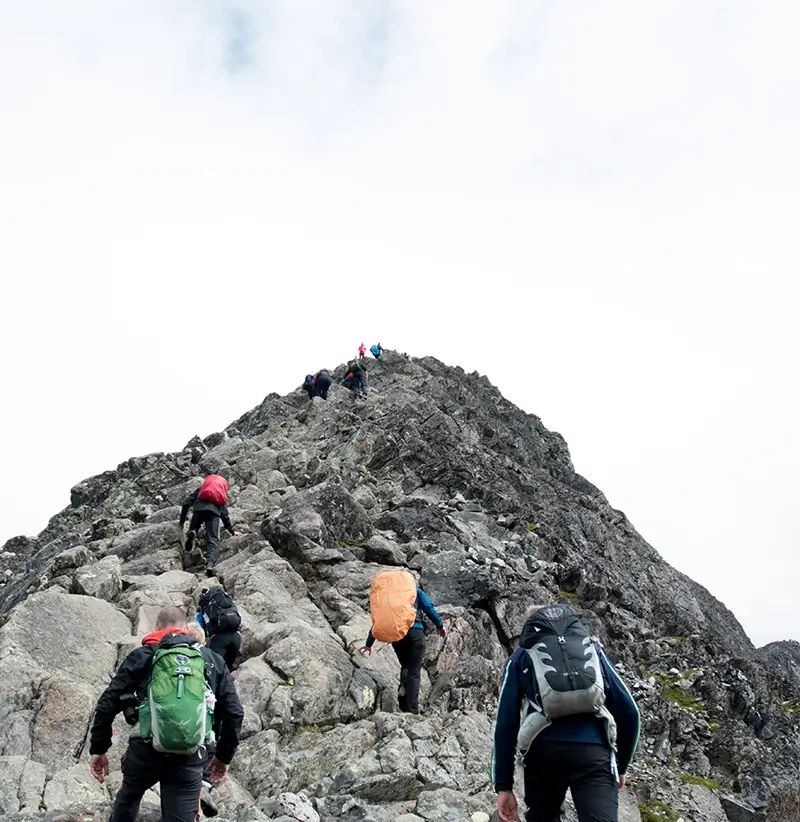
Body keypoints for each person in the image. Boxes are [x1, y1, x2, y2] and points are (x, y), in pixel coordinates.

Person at [89, 606, 244, 822]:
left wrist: (99, 749)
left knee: (130, 796)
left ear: (156, 627)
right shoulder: (210, 659)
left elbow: (107, 703)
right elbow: (234, 713)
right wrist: (223, 757)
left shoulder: (142, 656)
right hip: (189, 754)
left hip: (145, 751)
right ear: (185, 629)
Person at [491, 603, 641, 822]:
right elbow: (629, 711)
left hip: (542, 754)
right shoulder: (591, 649)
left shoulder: (521, 656)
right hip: (594, 753)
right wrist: (620, 765)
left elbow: (506, 724)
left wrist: (503, 785)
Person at [359, 580, 446, 714]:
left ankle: (403, 701)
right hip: (415, 633)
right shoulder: (415, 592)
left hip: (397, 635)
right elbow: (429, 608)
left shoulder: (389, 598)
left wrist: (369, 643)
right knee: (414, 671)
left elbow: (381, 620)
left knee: (406, 666)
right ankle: (412, 709)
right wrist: (440, 626)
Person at [179, 474, 236, 577]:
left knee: (194, 526)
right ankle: (210, 564)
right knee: (214, 539)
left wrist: (182, 520)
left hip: (199, 509)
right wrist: (231, 531)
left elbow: (187, 503)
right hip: (213, 513)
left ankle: (192, 532)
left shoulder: (202, 489)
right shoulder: (219, 494)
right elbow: (225, 514)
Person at [196, 586, 242, 672]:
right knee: (228, 668)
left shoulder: (206, 607)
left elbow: (198, 626)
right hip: (236, 637)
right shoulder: (227, 602)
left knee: (214, 669)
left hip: (219, 639)